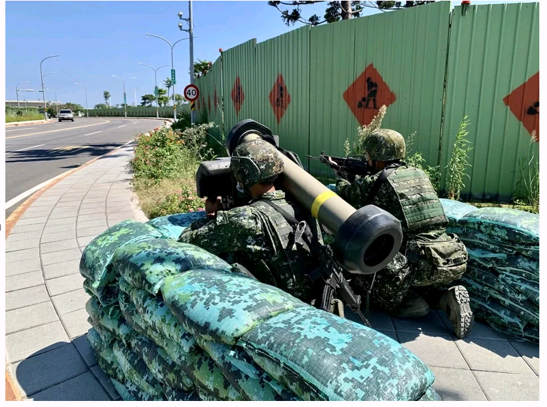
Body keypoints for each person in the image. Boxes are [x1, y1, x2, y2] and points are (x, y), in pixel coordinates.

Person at [332, 129, 473, 338]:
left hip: (418, 262)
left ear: (378, 157)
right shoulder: (419, 173)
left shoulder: (380, 181)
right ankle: (444, 298)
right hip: (448, 256)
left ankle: (409, 303)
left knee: (364, 268)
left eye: (368, 157)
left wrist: (341, 177)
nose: (366, 161)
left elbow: (348, 196)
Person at [179, 139, 324, 303]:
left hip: (278, 305)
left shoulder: (246, 218)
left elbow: (186, 242)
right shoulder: (304, 204)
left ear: (243, 174)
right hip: (313, 299)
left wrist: (210, 216)